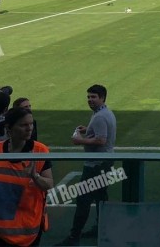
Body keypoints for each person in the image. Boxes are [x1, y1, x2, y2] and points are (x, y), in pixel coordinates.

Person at [0, 107, 53, 246]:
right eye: (24, 125)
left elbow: (49, 184)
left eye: (31, 124)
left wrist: (35, 176)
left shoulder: (40, 151)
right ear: (9, 128)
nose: (29, 128)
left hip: (28, 231)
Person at [57, 85, 117, 246]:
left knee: (83, 200)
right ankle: (101, 228)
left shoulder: (99, 117)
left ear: (102, 98)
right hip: (105, 162)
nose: (90, 100)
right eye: (89, 97)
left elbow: (100, 140)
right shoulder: (104, 113)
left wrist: (80, 140)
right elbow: (100, 134)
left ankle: (74, 237)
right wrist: (88, 129)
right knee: (101, 197)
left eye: (93, 97)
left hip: (95, 164)